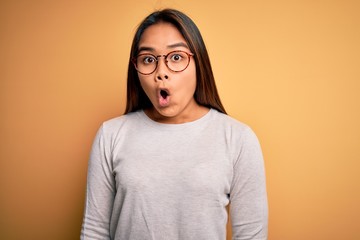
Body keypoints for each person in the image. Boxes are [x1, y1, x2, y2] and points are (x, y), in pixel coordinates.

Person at [81, 8, 268, 240]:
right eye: (148, 59)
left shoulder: (238, 138)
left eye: (176, 57)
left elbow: (251, 236)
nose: (161, 73)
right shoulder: (110, 135)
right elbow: (94, 232)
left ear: (198, 62)